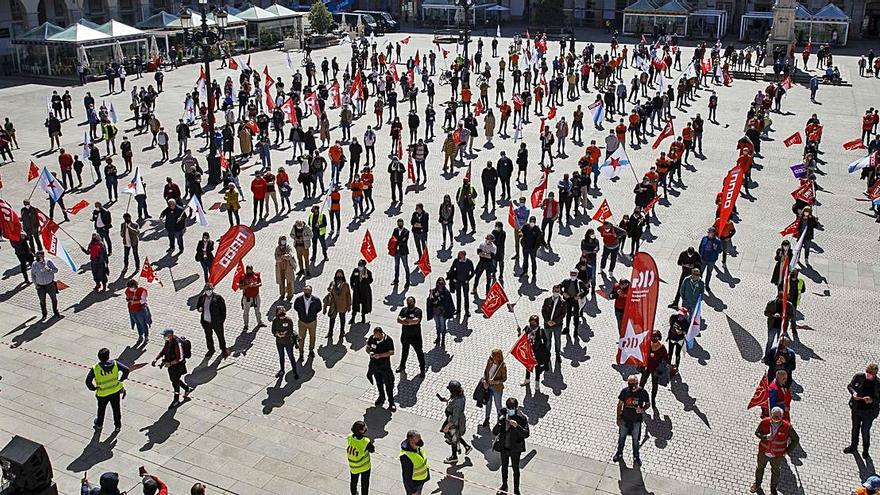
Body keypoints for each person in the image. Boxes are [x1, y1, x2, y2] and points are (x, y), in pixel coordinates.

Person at [751, 407, 799, 495]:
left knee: (776, 472)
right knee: (760, 468)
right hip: (763, 453)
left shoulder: (787, 427)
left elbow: (795, 439)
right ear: (771, 415)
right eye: (774, 416)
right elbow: (757, 433)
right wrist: (765, 437)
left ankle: (773, 489)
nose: (776, 418)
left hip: (777, 456)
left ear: (782, 416)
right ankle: (757, 484)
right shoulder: (764, 422)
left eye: (778, 416)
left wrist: (788, 451)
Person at [493, 397, 530, 495]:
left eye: (512, 409)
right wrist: (500, 423)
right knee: (504, 468)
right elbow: (495, 431)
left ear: (516, 408)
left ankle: (516, 489)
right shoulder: (503, 414)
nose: (510, 410)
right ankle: (504, 485)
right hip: (504, 447)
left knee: (515, 469)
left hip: (515, 449)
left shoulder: (521, 418)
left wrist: (517, 426)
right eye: (508, 408)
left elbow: (526, 434)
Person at [86, 347, 129, 431]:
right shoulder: (115, 364)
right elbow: (126, 370)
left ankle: (99, 425)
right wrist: (121, 379)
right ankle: (117, 426)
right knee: (116, 409)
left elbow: (88, 381)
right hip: (115, 391)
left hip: (102, 393)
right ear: (108, 356)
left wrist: (93, 388)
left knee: (101, 410)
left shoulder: (96, 368)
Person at [614, 374, 649, 466]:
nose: (632, 386)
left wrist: (642, 409)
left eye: (634, 383)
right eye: (630, 384)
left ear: (637, 383)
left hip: (636, 421)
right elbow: (619, 405)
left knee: (635, 440)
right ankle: (619, 453)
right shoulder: (625, 391)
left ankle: (636, 457)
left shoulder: (643, 392)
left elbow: (648, 404)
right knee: (621, 438)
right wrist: (618, 418)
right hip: (624, 419)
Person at [152, 328, 191, 408]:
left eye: (165, 336)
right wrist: (156, 358)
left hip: (178, 366)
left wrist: (169, 363)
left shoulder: (177, 343)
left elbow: (180, 358)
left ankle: (176, 400)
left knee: (175, 382)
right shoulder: (168, 341)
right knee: (174, 380)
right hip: (171, 366)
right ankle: (187, 388)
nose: (164, 337)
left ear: (171, 335)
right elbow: (164, 350)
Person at [846, 363, 880, 456]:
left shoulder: (878, 384)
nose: (867, 374)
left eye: (870, 373)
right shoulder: (859, 377)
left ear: (875, 374)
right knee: (855, 428)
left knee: (865, 431)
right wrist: (853, 393)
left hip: (869, 413)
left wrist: (872, 400)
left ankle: (865, 450)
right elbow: (850, 386)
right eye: (867, 372)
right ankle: (853, 447)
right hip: (856, 409)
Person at [439, 380, 472, 464]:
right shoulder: (458, 396)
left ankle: (454, 457)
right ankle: (466, 446)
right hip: (452, 419)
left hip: (455, 423)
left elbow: (455, 418)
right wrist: (446, 400)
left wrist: (447, 426)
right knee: (455, 436)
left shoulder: (458, 402)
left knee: (454, 438)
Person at [367, 326, 396, 412]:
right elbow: (368, 347)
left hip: (385, 366)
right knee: (378, 383)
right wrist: (370, 353)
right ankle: (381, 396)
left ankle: (391, 402)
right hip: (375, 366)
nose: (375, 337)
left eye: (377, 335)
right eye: (374, 335)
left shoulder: (388, 340)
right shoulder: (372, 338)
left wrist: (380, 355)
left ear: (381, 334)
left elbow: (391, 352)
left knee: (388, 385)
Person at [197, 284, 228, 358]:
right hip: (206, 322)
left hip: (216, 322)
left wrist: (221, 321)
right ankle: (211, 349)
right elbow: (198, 306)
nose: (208, 291)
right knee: (208, 336)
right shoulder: (202, 298)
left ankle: (223, 349)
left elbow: (223, 310)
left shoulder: (218, 298)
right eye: (207, 290)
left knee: (220, 336)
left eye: (210, 290)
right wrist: (199, 309)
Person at [397, 296, 426, 376]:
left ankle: (422, 369)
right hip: (405, 336)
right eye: (408, 302)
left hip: (415, 337)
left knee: (419, 352)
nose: (409, 303)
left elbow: (416, 321)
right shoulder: (404, 310)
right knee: (404, 351)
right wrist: (409, 322)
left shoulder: (418, 311)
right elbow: (398, 319)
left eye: (411, 302)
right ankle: (402, 365)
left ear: (414, 302)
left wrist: (406, 321)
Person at [294, 285, 322, 360]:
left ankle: (311, 350)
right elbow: (296, 307)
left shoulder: (316, 300)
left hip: (312, 322)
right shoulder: (298, 299)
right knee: (301, 338)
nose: (307, 292)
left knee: (312, 336)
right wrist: (302, 315)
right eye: (305, 291)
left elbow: (319, 308)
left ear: (311, 291)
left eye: (308, 291)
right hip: (302, 322)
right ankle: (301, 353)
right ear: (303, 291)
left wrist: (312, 315)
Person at [347, 420, 374, 495]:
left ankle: (354, 493)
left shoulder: (349, 437)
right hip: (364, 466)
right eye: (364, 427)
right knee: (365, 485)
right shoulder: (365, 441)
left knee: (353, 482)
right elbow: (372, 450)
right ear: (361, 431)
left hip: (353, 466)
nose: (366, 427)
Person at [30, 250, 60, 319]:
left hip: (50, 285)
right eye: (37, 257)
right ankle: (44, 314)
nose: (37, 258)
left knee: (54, 299)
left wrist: (49, 270)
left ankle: (55, 312)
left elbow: (56, 270)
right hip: (40, 286)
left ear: (43, 256)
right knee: (42, 301)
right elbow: (33, 276)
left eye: (39, 257)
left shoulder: (48, 262)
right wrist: (36, 285)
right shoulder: (34, 264)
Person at [271, 306, 299, 379]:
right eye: (280, 311)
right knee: (281, 356)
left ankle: (295, 372)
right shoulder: (275, 320)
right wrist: (277, 334)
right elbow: (273, 330)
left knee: (291, 357)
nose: (281, 312)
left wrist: (284, 334)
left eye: (282, 311)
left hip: (288, 342)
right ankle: (282, 370)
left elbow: (290, 331)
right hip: (279, 342)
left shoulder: (289, 320)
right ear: (277, 313)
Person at [482, 349, 507, 427]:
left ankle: (499, 420)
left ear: (498, 357)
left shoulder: (502, 366)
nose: (492, 357)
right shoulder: (490, 361)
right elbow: (486, 371)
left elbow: (504, 378)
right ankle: (487, 418)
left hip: (497, 388)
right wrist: (485, 381)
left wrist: (496, 382)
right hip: (488, 386)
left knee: (498, 405)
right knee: (488, 402)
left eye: (494, 356)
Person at [399, 430, 430, 495]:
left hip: (421, 480)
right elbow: (406, 477)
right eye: (417, 440)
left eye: (420, 438)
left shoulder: (417, 447)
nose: (420, 442)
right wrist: (412, 491)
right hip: (415, 483)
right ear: (411, 441)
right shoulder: (406, 457)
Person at [324, 269, 352, 340]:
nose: (339, 276)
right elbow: (328, 289)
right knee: (332, 319)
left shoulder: (345, 284)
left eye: (340, 274)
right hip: (334, 304)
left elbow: (348, 295)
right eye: (338, 274)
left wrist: (349, 306)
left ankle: (342, 332)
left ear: (343, 275)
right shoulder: (333, 283)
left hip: (343, 305)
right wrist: (331, 288)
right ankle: (330, 332)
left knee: (342, 319)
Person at [427, 277, 454, 345]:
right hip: (435, 312)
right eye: (439, 283)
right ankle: (438, 337)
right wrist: (431, 295)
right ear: (437, 284)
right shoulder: (433, 291)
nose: (440, 285)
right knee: (437, 325)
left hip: (443, 312)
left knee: (442, 326)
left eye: (442, 284)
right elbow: (430, 301)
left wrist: (439, 298)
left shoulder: (446, 292)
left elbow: (448, 303)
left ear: (444, 284)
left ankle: (443, 340)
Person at [542, 286, 566, 361]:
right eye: (555, 291)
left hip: (557, 326)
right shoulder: (547, 300)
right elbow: (543, 311)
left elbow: (563, 314)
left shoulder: (563, 302)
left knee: (557, 340)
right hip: (547, 325)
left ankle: (557, 355)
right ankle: (547, 354)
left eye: (558, 291)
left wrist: (555, 322)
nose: (556, 292)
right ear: (552, 291)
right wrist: (547, 321)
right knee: (547, 341)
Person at [239, 265, 264, 331]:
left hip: (256, 296)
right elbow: (240, 287)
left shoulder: (256, 275)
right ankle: (246, 325)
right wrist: (248, 286)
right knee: (246, 312)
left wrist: (256, 285)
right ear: (246, 270)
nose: (249, 271)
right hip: (247, 297)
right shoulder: (242, 277)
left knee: (257, 310)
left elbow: (260, 283)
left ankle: (259, 322)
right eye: (248, 270)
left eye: (250, 270)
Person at [350, 259, 373, 324]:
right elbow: (351, 278)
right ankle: (353, 318)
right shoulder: (355, 270)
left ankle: (363, 318)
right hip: (357, 290)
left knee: (364, 304)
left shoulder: (368, 272)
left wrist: (366, 278)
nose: (360, 266)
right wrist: (352, 286)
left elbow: (371, 280)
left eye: (361, 265)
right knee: (355, 304)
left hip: (365, 291)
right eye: (359, 265)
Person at [391, 218, 412, 288]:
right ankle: (396, 279)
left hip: (403, 252)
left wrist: (397, 241)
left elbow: (404, 242)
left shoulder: (406, 232)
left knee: (406, 266)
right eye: (398, 223)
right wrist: (399, 241)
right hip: (396, 251)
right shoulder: (395, 230)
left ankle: (407, 281)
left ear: (403, 223)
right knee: (396, 266)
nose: (399, 224)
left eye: (401, 223)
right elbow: (393, 239)